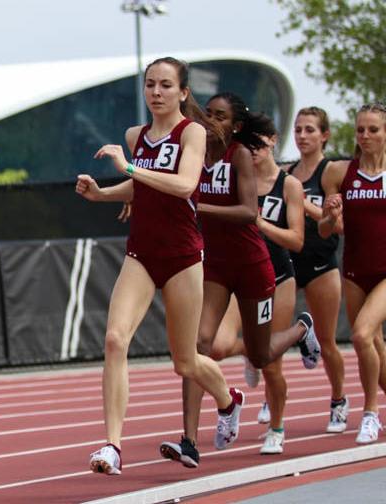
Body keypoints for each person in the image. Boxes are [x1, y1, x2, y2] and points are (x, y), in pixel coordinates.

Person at [77, 57, 240, 476]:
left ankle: (228, 401)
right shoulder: (137, 135)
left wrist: (130, 167)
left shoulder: (194, 132)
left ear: (183, 92)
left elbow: (184, 184)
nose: (156, 92)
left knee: (185, 362)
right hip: (141, 254)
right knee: (115, 340)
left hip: (183, 257)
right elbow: (143, 186)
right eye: (150, 84)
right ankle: (112, 445)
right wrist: (103, 193)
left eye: (166, 85)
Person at [159, 94, 318, 468]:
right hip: (215, 267)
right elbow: (190, 109)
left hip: (252, 267)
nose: (211, 121)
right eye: (208, 114)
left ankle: (300, 328)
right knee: (196, 346)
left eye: (221, 116)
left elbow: (249, 211)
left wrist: (199, 204)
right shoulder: (195, 152)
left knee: (260, 355)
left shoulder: (239, 155)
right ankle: (189, 441)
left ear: (236, 126)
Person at [207, 114, 306, 454]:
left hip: (277, 279)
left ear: (273, 141)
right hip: (240, 276)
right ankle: (253, 349)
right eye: (249, 145)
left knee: (271, 365)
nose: (255, 151)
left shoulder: (288, 185)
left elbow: (296, 240)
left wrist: (259, 223)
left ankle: (276, 427)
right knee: (217, 347)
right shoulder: (235, 177)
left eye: (260, 144)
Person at [319, 102, 386, 445]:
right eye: (361, 130)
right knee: (372, 343)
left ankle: (371, 414)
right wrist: (330, 215)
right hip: (356, 269)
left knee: (360, 336)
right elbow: (326, 231)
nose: (365, 136)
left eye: (373, 129)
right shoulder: (339, 173)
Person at [284, 107, 349, 433]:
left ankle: (339, 399)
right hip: (289, 262)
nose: (302, 136)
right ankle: (273, 400)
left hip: (322, 263)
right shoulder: (286, 171)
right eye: (298, 130)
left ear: (324, 135)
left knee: (327, 340)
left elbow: (337, 227)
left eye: (310, 130)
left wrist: (303, 202)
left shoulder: (330, 171)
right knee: (269, 334)